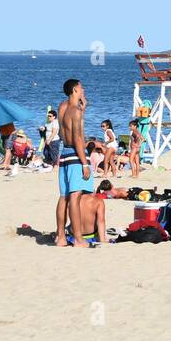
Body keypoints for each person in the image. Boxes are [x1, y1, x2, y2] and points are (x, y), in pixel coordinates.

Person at [56, 78, 98, 247]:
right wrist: (85, 163)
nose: (83, 89)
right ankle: (79, 239)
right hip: (75, 156)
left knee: (63, 197)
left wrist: (83, 108)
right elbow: (78, 138)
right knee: (75, 197)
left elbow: (65, 130)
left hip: (64, 154)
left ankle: (60, 237)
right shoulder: (76, 111)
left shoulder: (62, 107)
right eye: (81, 87)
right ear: (74, 90)